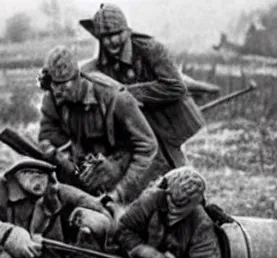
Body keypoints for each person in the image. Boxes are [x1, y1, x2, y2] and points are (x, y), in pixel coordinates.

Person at [79, 3, 205, 178]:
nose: (111, 41)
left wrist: (129, 94)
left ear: (127, 31)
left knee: (176, 172)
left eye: (116, 34)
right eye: (105, 36)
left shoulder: (150, 49)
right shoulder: (103, 60)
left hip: (164, 123)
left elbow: (176, 86)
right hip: (135, 127)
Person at [37, 45, 158, 205]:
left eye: (63, 85)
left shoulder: (114, 98)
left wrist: (119, 193)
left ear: (78, 78)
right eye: (54, 85)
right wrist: (65, 159)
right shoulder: (53, 98)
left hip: (122, 168)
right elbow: (47, 137)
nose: (58, 92)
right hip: (82, 169)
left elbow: (147, 147)